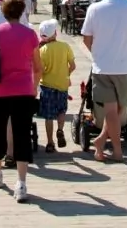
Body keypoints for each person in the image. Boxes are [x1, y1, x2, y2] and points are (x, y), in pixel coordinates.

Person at [0, 0, 42, 202]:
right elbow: (38, 68)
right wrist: (34, 87)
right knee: (22, 134)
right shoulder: (30, 34)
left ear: (3, 12)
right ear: (22, 11)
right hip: (23, 90)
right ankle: (21, 183)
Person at [80, 0, 127, 162]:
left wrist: (96, 54)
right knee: (120, 109)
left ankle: (102, 140)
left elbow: (86, 37)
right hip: (124, 65)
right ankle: (116, 150)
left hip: (102, 66)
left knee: (110, 110)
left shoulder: (94, 8)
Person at [37, 19, 75, 153]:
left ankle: (50, 142)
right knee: (61, 111)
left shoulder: (43, 50)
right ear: (55, 33)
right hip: (62, 84)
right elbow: (73, 65)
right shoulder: (65, 46)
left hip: (47, 85)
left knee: (48, 116)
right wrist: (67, 74)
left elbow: (41, 69)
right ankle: (60, 129)